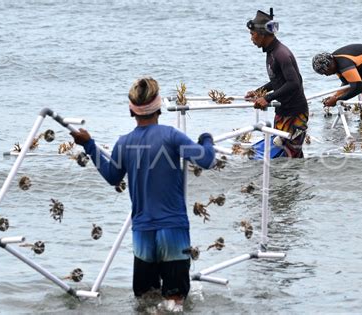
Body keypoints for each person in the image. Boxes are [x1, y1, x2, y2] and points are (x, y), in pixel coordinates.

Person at [70, 77, 215, 312]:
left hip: (142, 233)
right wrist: (206, 139)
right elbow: (207, 160)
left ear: (131, 111)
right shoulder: (171, 136)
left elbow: (112, 177)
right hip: (173, 230)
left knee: (145, 300)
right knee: (175, 301)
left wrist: (89, 146)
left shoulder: (124, 143)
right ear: (159, 108)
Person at [245, 9, 309, 158]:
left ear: (262, 34)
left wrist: (267, 98)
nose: (251, 39)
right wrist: (259, 91)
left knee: (291, 156)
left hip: (295, 113)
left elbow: (294, 83)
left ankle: (294, 181)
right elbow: (278, 80)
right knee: (282, 154)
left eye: (252, 34)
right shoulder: (271, 52)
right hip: (282, 112)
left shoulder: (281, 54)